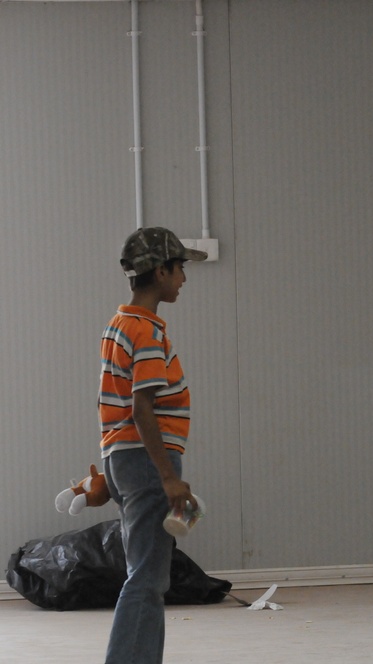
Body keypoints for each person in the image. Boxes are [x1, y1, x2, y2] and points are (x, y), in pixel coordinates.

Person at [99, 226, 207, 664]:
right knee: (146, 579)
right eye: (180, 268)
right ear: (160, 271)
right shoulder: (146, 330)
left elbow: (115, 409)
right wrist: (166, 476)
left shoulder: (119, 324)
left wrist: (112, 474)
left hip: (127, 459)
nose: (183, 278)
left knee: (144, 575)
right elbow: (141, 408)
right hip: (147, 461)